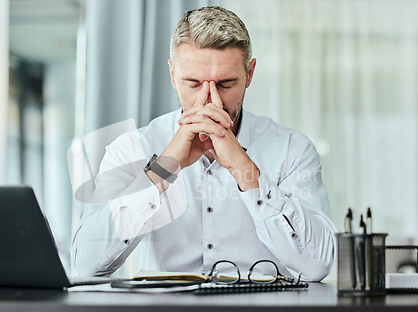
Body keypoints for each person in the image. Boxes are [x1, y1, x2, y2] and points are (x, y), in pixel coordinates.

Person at [71, 6, 336, 281]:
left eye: (226, 84)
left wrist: (243, 169)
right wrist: (162, 170)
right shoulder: (132, 148)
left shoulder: (293, 151)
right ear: (173, 75)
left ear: (250, 74)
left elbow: (317, 265)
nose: (210, 102)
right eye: (193, 83)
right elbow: (88, 264)